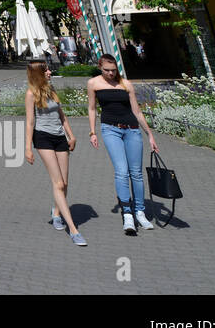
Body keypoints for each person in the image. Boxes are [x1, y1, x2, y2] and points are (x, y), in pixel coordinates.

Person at [88, 54, 159, 235]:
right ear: (100, 67)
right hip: (110, 129)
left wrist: (149, 134)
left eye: (113, 70)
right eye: (107, 70)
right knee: (121, 170)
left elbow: (136, 110)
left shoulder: (126, 84)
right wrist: (92, 132)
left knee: (136, 172)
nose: (111, 73)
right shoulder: (94, 83)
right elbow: (92, 108)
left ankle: (140, 212)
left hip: (132, 129)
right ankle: (127, 214)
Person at [24, 60, 85, 246]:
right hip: (43, 138)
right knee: (57, 183)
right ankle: (73, 229)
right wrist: (28, 148)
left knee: (65, 183)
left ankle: (56, 213)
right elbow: (30, 122)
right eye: (46, 70)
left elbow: (61, 115)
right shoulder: (30, 94)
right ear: (38, 74)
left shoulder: (51, 90)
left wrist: (71, 135)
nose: (50, 72)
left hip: (60, 137)